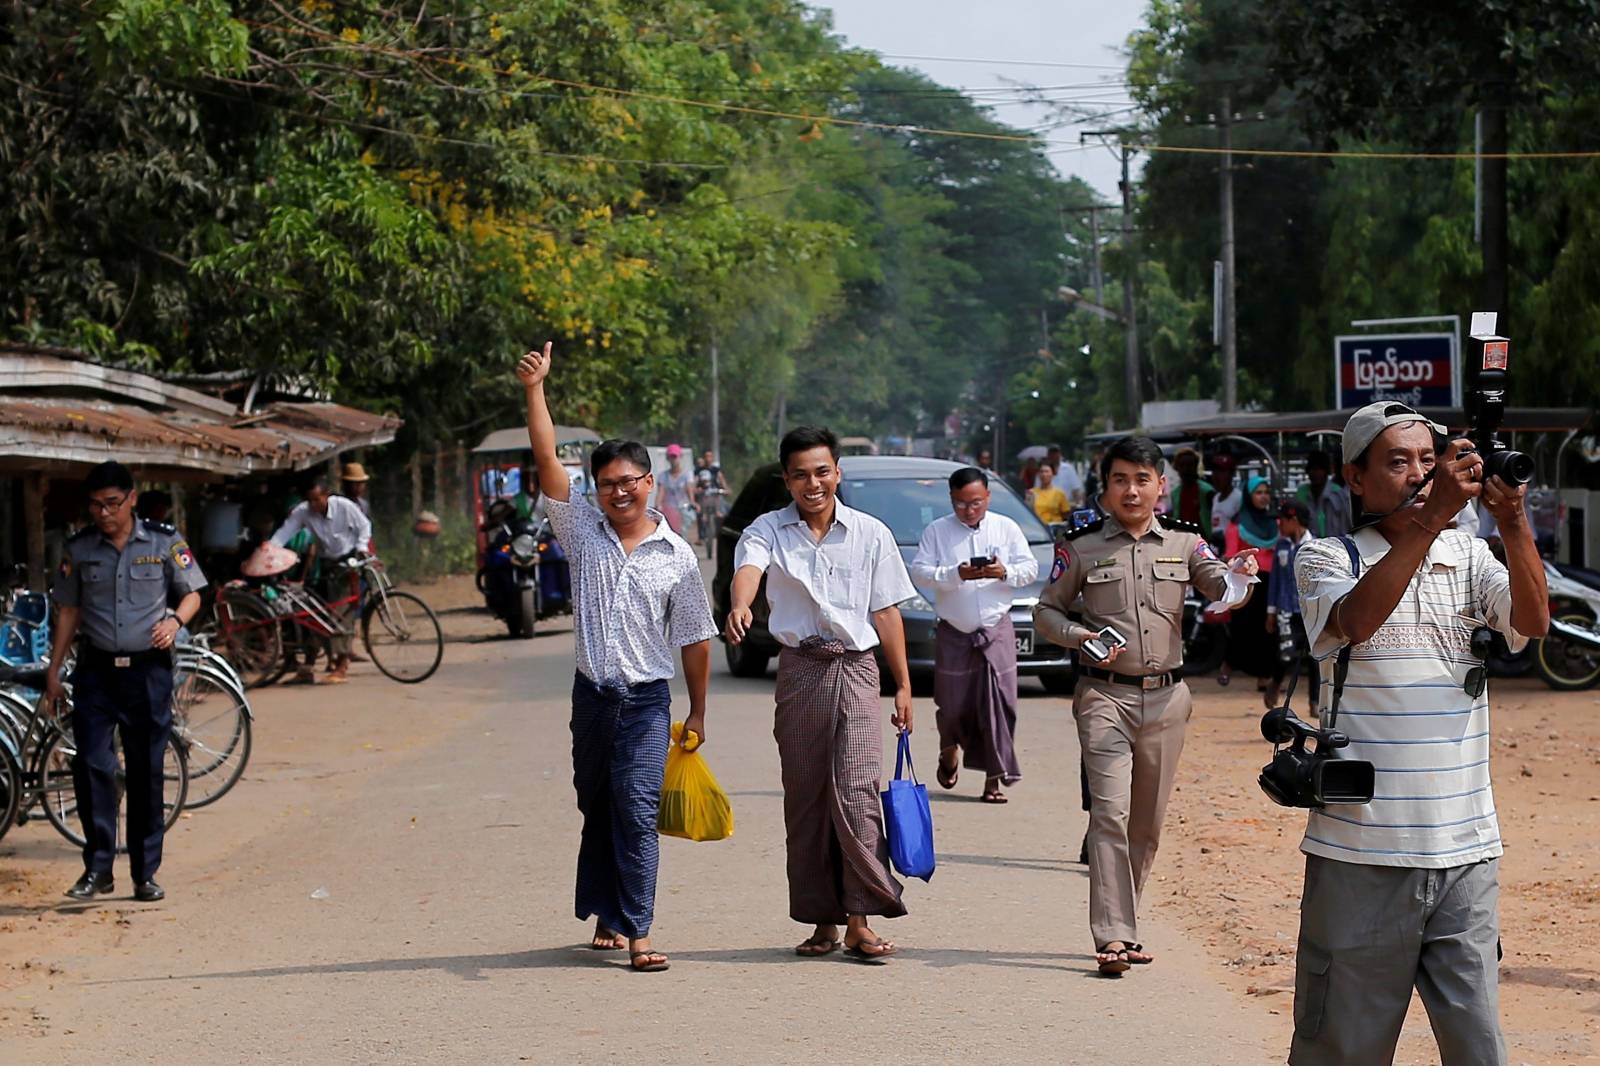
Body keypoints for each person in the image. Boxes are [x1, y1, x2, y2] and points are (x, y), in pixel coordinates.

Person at [1288, 401, 1548, 1065]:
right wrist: (1431, 522)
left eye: (1428, 461)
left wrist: (1513, 522)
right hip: (1359, 858)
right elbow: (1356, 622)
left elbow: (1533, 622)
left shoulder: (1469, 556)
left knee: (1479, 1049)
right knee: (1342, 1050)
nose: (1417, 474)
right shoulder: (1326, 556)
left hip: (1466, 852)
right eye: (1397, 462)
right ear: (1354, 478)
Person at [516, 342, 717, 974]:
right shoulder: (580, 532)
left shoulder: (677, 556)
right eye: (607, 485)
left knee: (635, 805)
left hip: (647, 703)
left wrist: (699, 712)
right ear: (595, 492)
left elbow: (693, 638)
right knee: (596, 802)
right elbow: (548, 457)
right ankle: (607, 909)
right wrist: (535, 389)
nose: (619, 493)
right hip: (592, 697)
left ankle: (638, 930)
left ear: (650, 482)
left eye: (630, 482)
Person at [1034, 436, 1257, 975]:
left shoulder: (1185, 543)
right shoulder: (1081, 545)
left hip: (1167, 699)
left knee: (1147, 824)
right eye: (1120, 480)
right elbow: (1046, 613)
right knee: (1109, 812)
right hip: (1103, 695)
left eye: (1142, 479)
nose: (1131, 490)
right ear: (1105, 487)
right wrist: (1078, 635)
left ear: (1161, 485)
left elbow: (1218, 586)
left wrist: (1239, 576)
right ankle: (1114, 935)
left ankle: (1123, 920)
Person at [725, 425, 916, 962]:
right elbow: (749, 570)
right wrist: (741, 604)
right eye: (802, 475)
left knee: (856, 793)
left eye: (823, 472)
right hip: (800, 672)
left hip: (856, 671)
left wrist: (902, 686)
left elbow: (886, 611)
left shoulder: (871, 533)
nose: (814, 483)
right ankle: (822, 921)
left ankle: (860, 918)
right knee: (807, 797)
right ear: (786, 479)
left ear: (838, 472)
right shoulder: (766, 529)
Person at [45, 461, 207, 903]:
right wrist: (55, 672)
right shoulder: (79, 548)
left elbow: (193, 592)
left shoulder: (163, 541)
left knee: (145, 772)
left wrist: (175, 621)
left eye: (113, 503)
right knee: (93, 766)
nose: (104, 513)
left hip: (147, 672)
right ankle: (98, 869)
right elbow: (69, 612)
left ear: (132, 498)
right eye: (96, 505)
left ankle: (144, 872)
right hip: (96, 673)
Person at [910, 467, 1039, 804]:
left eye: (976, 503)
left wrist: (1003, 571)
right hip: (955, 631)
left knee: (999, 705)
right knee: (953, 707)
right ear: (951, 500)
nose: (969, 510)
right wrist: (955, 574)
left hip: (996, 629)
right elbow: (920, 572)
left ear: (988, 498)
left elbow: (1030, 569)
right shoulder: (938, 531)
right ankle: (949, 750)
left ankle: (993, 780)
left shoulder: (1006, 527)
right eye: (961, 504)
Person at [268, 476, 373, 683]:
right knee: (313, 613)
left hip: (347, 562)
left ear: (327, 495)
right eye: (310, 500)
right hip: (325, 565)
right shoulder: (303, 511)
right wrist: (270, 549)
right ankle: (308, 666)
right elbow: (285, 532)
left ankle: (342, 664)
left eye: (318, 499)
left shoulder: (344, 506)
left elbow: (364, 526)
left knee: (342, 613)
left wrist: (361, 547)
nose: (314, 505)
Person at [1223, 476, 1281, 693]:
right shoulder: (1237, 523)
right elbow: (1229, 554)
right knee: (1243, 627)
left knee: (1269, 629)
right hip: (1247, 582)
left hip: (1271, 582)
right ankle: (1229, 666)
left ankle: (1265, 676)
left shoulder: (1276, 522)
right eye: (1258, 492)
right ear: (1249, 496)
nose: (1263, 496)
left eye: (1266, 492)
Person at [1264, 500, 1315, 710]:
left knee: (1314, 657)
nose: (1279, 525)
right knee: (1286, 653)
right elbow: (1275, 579)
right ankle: (1275, 683)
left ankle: (1315, 701)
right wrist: (1271, 611)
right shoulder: (1282, 546)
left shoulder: (1315, 546)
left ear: (1293, 520)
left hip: (1309, 609)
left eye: (1282, 520)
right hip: (1286, 607)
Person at [1294, 449, 1351, 538]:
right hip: (1310, 546)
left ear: (1326, 471)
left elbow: (1347, 524)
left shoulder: (1338, 493)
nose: (1315, 473)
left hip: (1337, 546)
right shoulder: (1301, 493)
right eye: (1312, 469)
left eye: (1319, 469)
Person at [653, 444, 696, 538]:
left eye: (675, 457)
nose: (673, 460)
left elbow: (689, 489)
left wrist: (692, 502)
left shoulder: (687, 475)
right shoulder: (663, 476)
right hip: (669, 509)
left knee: (685, 531)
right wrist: (657, 505)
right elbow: (661, 491)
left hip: (683, 507)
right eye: (671, 457)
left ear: (680, 457)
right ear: (668, 458)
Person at [1167, 447, 1214, 532]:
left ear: (1195, 466)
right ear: (1177, 468)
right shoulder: (1175, 493)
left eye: (1189, 465)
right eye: (1182, 465)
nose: (1185, 469)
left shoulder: (1206, 491)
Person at [1208, 452, 1241, 545]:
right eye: (1215, 471)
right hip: (1216, 547)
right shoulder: (1215, 498)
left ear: (1231, 474)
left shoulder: (1238, 498)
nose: (1217, 476)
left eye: (1222, 471)